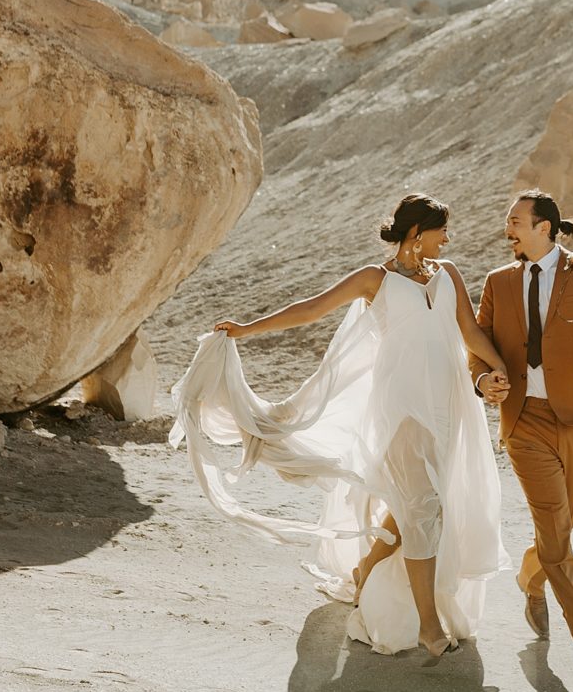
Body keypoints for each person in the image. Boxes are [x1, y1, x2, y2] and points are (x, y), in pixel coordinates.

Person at [171, 193, 509, 657]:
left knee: (422, 502)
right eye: (441, 230)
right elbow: (312, 308)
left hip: (448, 406)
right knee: (424, 507)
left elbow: (469, 331)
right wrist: (246, 329)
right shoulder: (376, 279)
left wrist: (501, 368)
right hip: (403, 407)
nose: (448, 239)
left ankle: (366, 567)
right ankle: (429, 627)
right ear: (417, 232)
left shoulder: (447, 272)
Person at [471, 190, 573, 673]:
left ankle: (531, 577)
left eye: (515, 220)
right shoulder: (498, 282)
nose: (508, 229)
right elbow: (479, 345)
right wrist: (483, 379)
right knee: (554, 527)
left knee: (565, 523)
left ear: (545, 227)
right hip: (524, 419)